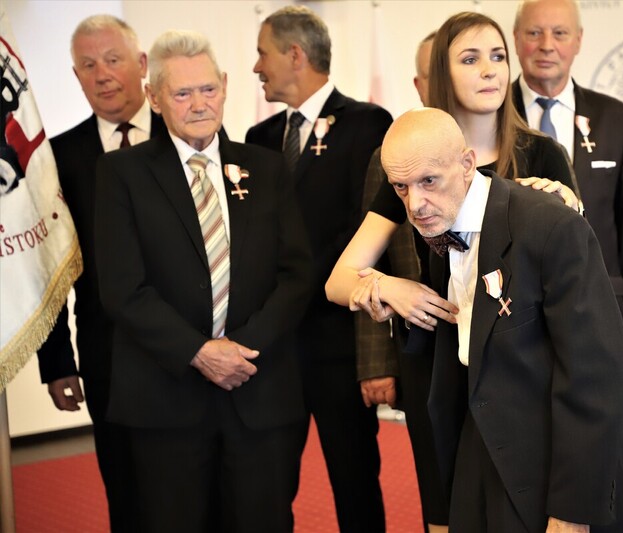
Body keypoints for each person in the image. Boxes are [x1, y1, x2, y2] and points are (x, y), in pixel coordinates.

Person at [379, 107, 623, 532]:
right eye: (401, 187)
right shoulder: (438, 227)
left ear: (467, 164)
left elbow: (597, 375)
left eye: (428, 181)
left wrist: (572, 513)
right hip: (481, 448)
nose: (415, 204)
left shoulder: (549, 224)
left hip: (558, 458)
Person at [94, 30, 313, 532]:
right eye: (182, 92)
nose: (199, 104)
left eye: (208, 89)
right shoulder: (121, 173)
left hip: (258, 391)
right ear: (154, 97)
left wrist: (240, 348)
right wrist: (199, 352)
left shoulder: (267, 166)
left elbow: (297, 274)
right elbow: (123, 289)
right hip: (166, 398)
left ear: (226, 86)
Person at [245, 6, 393, 532]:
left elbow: (367, 232)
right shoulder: (257, 139)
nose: (256, 66)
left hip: (337, 345)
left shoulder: (367, 124)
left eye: (262, 53)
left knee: (355, 483)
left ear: (294, 54)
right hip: (273, 352)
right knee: (267, 486)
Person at [35, 15, 167, 531]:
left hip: (195, 351)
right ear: (75, 75)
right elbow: (51, 268)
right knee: (127, 495)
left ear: (140, 66)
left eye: (113, 60)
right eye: (88, 65)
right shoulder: (58, 158)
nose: (102, 74)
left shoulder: (189, 136)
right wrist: (57, 361)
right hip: (107, 357)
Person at [512, 0, 623, 370]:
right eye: (534, 32)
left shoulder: (618, 120)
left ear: (577, 40)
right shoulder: (492, 116)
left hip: (601, 306)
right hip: (514, 313)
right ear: (515, 39)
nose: (546, 45)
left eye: (559, 33)